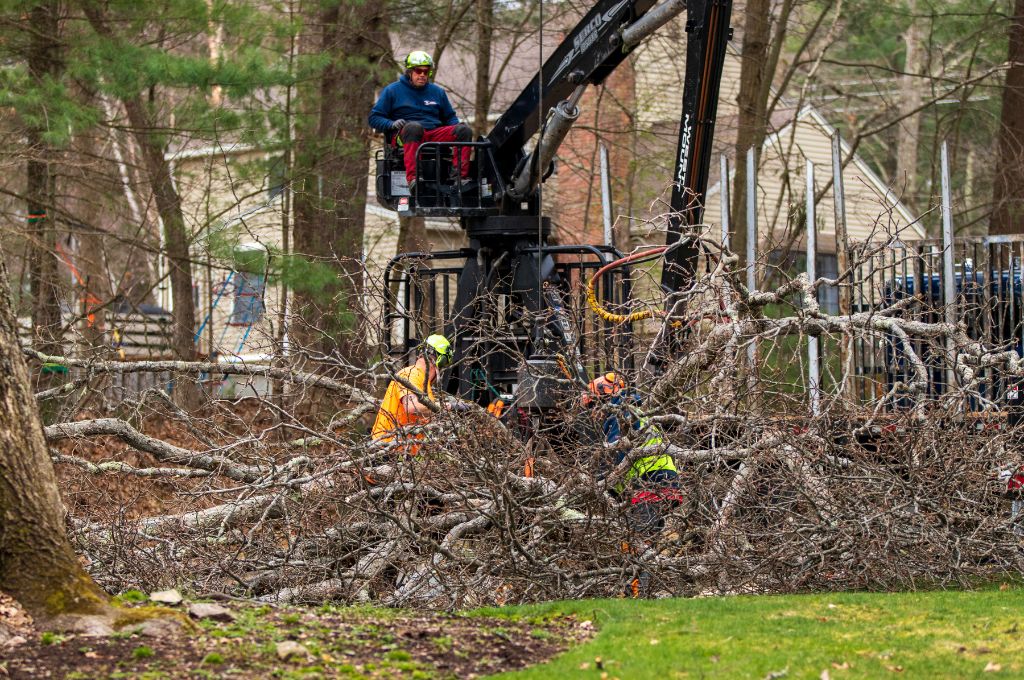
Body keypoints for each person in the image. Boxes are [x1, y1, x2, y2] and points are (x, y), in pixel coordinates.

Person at [368, 51, 473, 191]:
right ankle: (414, 179)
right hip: (406, 134)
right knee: (414, 127)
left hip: (433, 133)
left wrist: (456, 125)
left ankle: (459, 179)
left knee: (464, 130)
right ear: (410, 72)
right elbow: (374, 118)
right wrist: (391, 124)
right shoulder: (392, 91)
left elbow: (449, 117)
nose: (423, 75)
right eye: (418, 71)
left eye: (426, 71)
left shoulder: (438, 92)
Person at [372, 334, 455, 454]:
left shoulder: (422, 384)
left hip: (404, 453)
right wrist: (449, 407)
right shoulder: (410, 374)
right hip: (388, 451)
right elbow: (411, 406)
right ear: (440, 361)